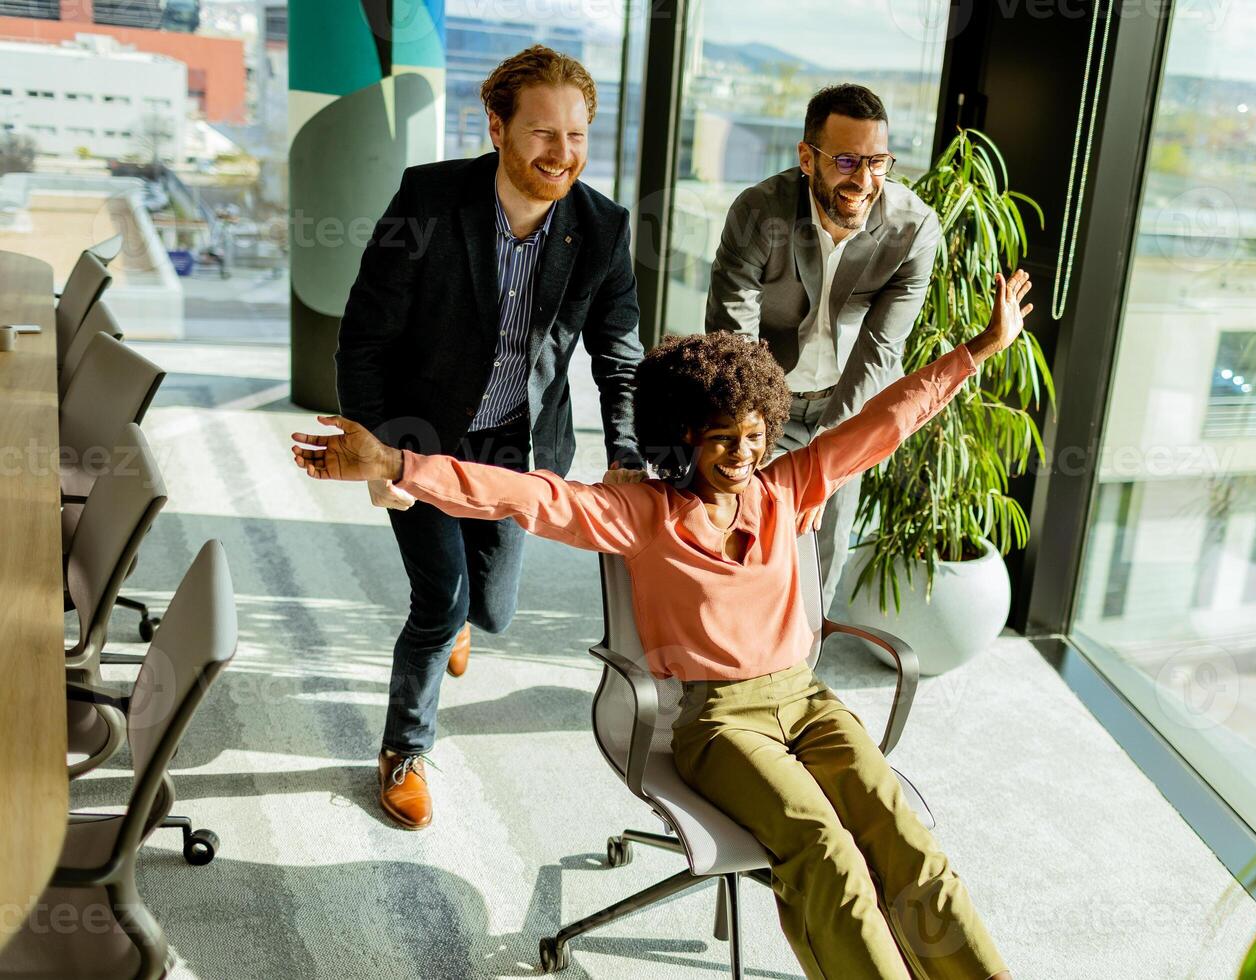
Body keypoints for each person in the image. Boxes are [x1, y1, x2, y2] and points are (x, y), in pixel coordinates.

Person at [293, 268, 1032, 979]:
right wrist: (395, 462)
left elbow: (885, 421)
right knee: (822, 846)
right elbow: (522, 496)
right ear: (680, 437)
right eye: (720, 440)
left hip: (808, 702)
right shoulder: (641, 515)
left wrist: (979, 350)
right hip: (718, 725)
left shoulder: (787, 489)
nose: (742, 455)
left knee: (899, 827)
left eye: (751, 435)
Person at [333, 45, 646, 831]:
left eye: (576, 137)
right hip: (421, 436)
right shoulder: (428, 200)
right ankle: (404, 750)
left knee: (493, 611)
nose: (561, 154)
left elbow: (619, 353)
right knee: (439, 602)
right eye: (543, 133)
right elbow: (364, 336)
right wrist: (377, 449)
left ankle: (467, 619)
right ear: (498, 127)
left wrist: (631, 454)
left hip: (516, 445)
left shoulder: (602, 229)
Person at [706, 82, 941, 613]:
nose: (863, 180)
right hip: (765, 402)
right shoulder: (758, 212)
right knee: (744, 533)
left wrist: (828, 456)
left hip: (848, 402)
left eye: (878, 161)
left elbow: (880, 350)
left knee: (824, 552)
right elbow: (733, 337)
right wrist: (753, 432)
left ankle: (802, 661)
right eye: (846, 160)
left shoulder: (914, 228)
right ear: (807, 158)